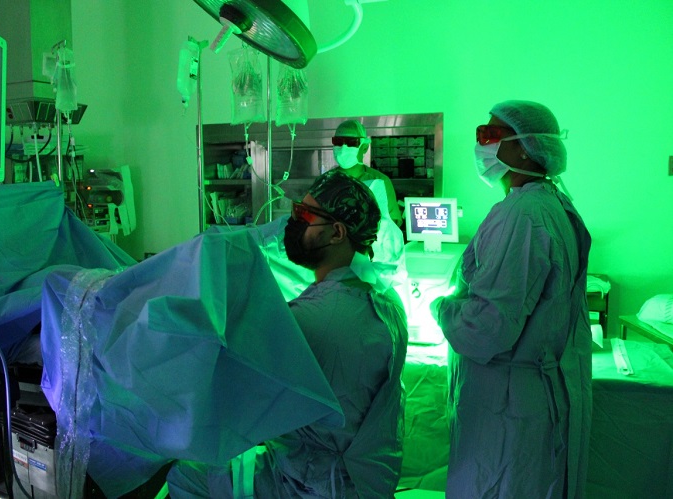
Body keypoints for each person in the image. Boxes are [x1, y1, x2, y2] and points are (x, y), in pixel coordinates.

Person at [168, 169, 409, 497]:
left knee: (185, 475)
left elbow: (236, 396)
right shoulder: (387, 301)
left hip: (313, 483)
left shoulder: (314, 320)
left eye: (304, 216)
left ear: (337, 232)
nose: (292, 223)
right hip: (365, 476)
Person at [430, 100, 592, 498]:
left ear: (525, 148)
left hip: (507, 404)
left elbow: (486, 329)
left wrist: (439, 307)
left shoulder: (522, 215)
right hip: (530, 397)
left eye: (490, 135)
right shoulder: (552, 203)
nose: (480, 144)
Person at [332, 119, 403, 227]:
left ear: (365, 147)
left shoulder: (380, 181)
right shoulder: (325, 181)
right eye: (338, 142)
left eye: (352, 142)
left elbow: (392, 224)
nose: (343, 148)